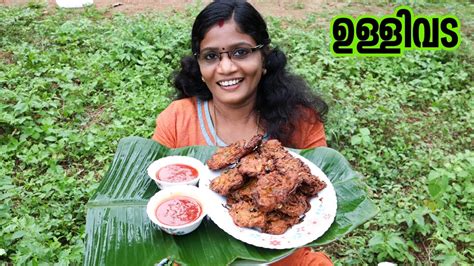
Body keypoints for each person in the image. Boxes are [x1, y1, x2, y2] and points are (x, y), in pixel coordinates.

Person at [152, 0, 332, 265]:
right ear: (200, 67)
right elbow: (157, 202)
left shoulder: (301, 121)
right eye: (211, 56)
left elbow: (320, 204)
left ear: (264, 58)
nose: (226, 68)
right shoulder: (177, 120)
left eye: (240, 52)